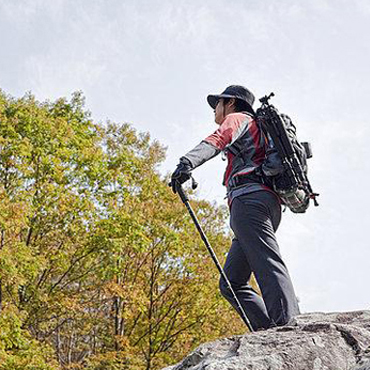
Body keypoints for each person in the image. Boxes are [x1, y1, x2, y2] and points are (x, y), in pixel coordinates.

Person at [169, 85, 300, 330]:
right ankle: (269, 331)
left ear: (230, 103)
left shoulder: (238, 118)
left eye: (217, 104)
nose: (214, 110)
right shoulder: (258, 128)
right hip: (264, 203)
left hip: (249, 200)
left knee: (267, 261)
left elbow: (218, 139)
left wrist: (186, 163)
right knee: (232, 283)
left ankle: (288, 325)